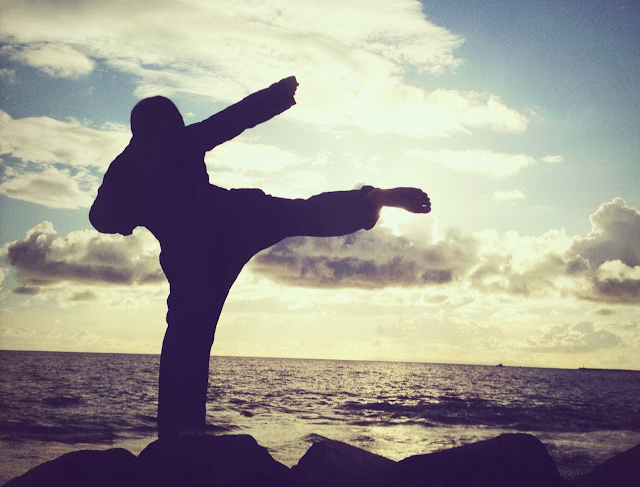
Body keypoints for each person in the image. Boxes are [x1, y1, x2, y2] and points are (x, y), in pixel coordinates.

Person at [89, 76, 431, 437]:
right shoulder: (168, 148)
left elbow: (101, 217)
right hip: (222, 227)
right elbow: (230, 121)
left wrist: (130, 210)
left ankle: (179, 436)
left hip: (200, 245)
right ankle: (368, 201)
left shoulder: (136, 163)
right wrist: (275, 97)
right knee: (298, 215)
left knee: (187, 339)